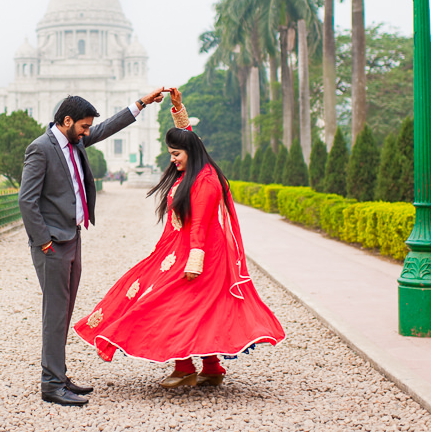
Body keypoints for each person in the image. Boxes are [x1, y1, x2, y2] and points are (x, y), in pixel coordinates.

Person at [73, 88, 285, 389]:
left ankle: (185, 367)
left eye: (176, 154)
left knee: (171, 304)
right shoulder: (194, 171)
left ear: (191, 153)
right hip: (176, 249)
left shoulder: (206, 180)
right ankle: (210, 367)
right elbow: (190, 139)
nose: (172, 160)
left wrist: (195, 259)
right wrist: (178, 109)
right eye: (172, 154)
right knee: (195, 308)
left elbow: (199, 224)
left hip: (199, 255)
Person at [20, 89, 167, 407]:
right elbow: (26, 200)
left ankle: (58, 375)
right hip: (52, 244)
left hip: (72, 237)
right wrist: (43, 240)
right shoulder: (40, 149)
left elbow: (108, 127)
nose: (88, 132)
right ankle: (51, 384)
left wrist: (140, 104)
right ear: (67, 121)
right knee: (55, 313)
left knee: (64, 310)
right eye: (84, 126)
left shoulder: (75, 141)